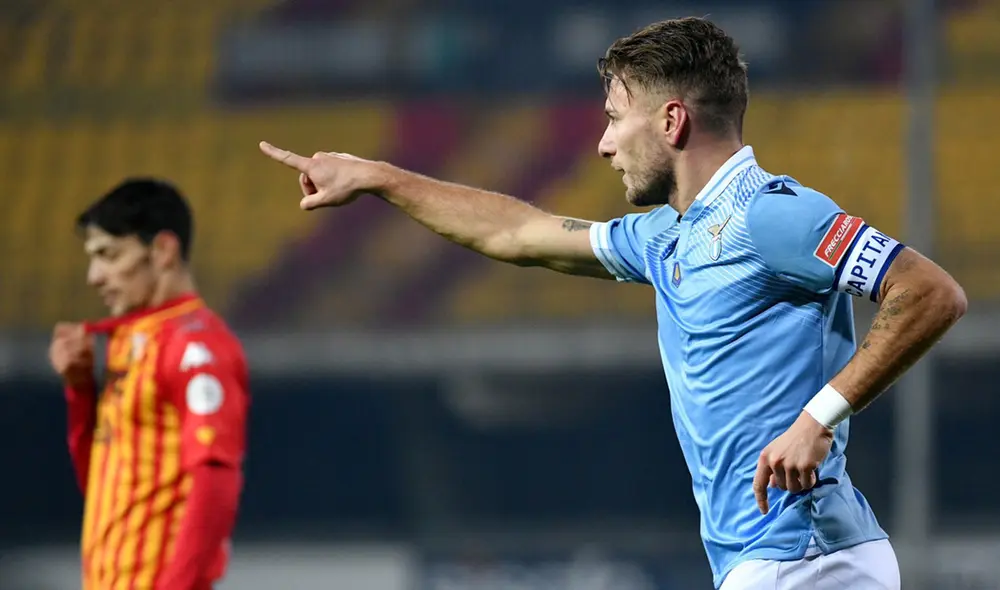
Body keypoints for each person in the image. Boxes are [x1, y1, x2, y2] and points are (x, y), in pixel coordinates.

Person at [259, 17, 966, 590]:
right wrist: (380, 177)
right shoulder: (666, 236)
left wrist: (819, 416)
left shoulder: (773, 216)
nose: (600, 145)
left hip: (811, 560)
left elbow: (930, 291)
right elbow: (517, 232)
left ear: (671, 121)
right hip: (768, 561)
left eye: (613, 117)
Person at [48, 179, 250, 590]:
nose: (94, 277)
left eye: (109, 255)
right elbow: (104, 490)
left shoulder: (197, 345)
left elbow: (216, 480)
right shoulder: (131, 342)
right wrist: (80, 389)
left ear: (162, 250)